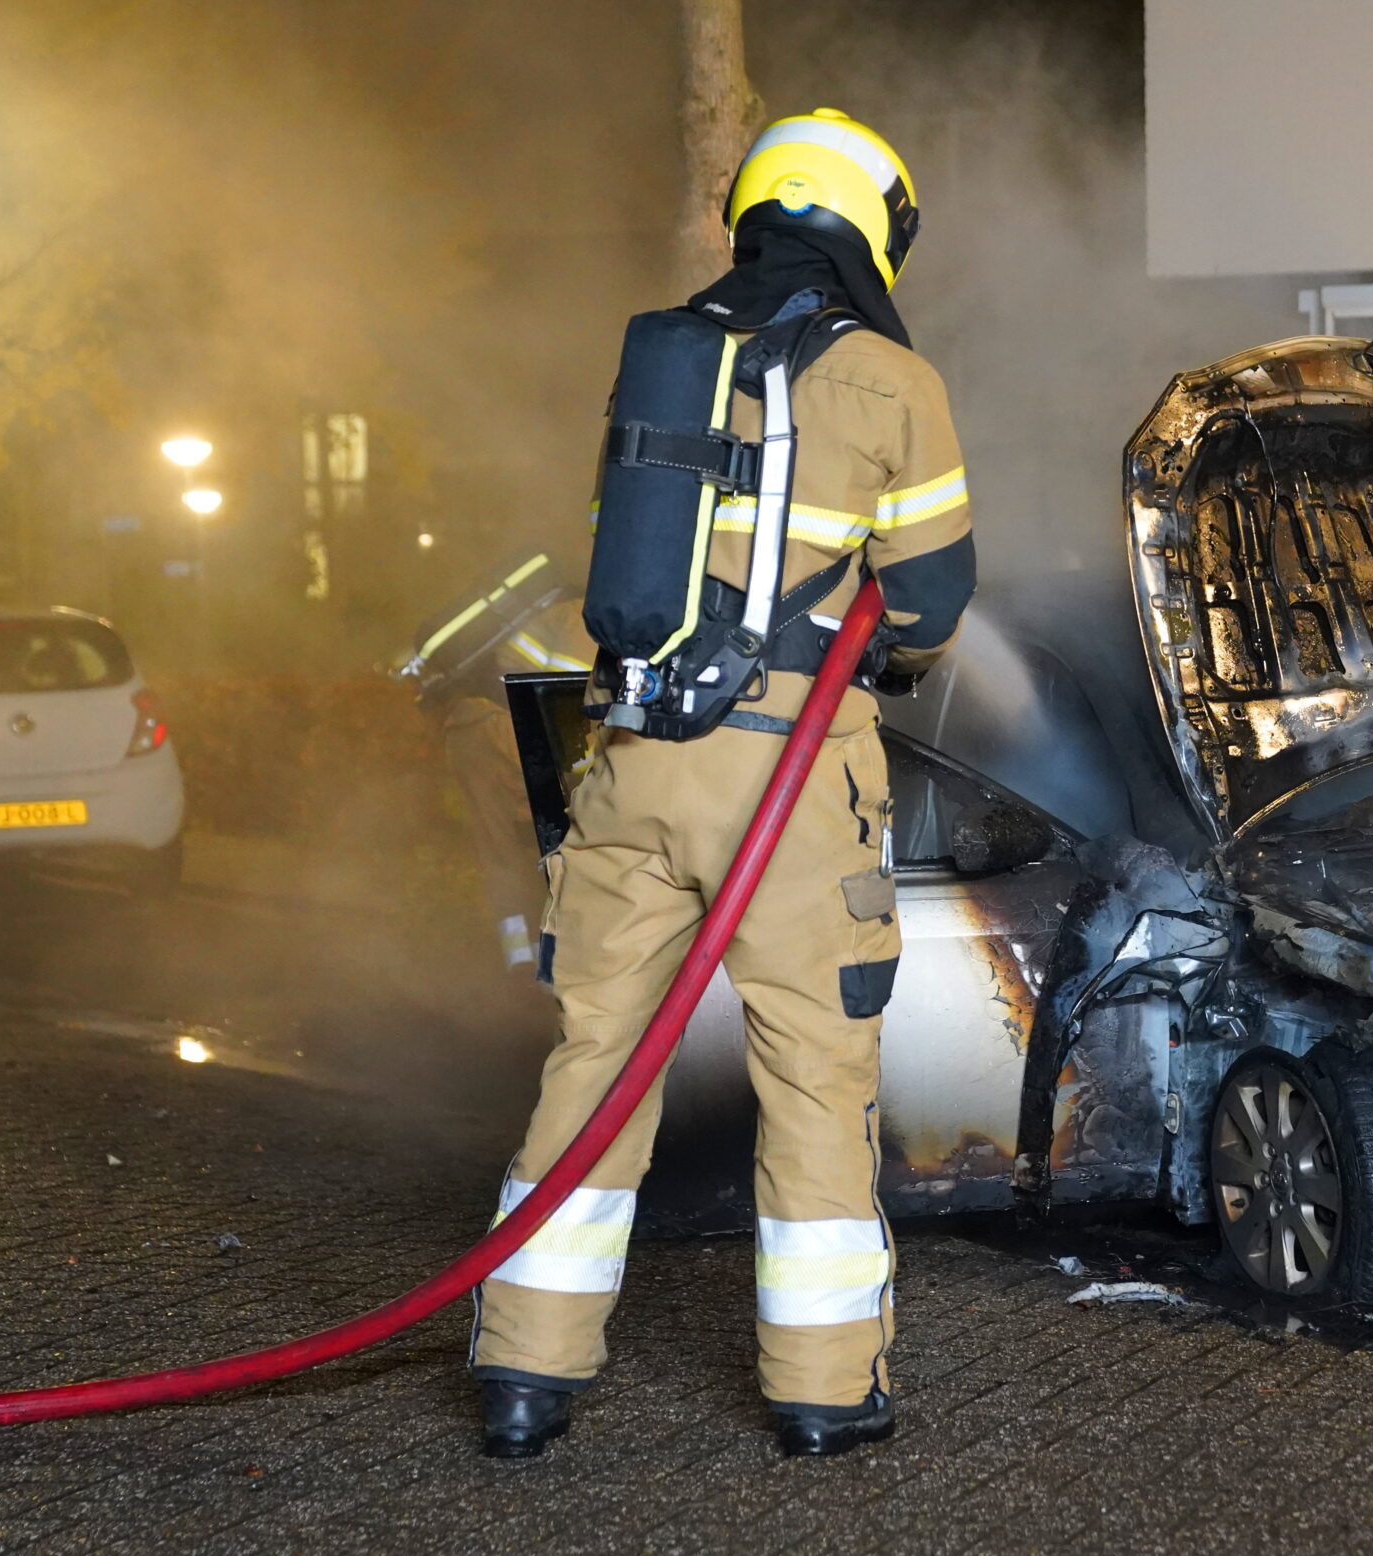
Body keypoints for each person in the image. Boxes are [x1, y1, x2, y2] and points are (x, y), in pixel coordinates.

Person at [469, 109, 974, 1462]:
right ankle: (821, 1390)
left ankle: (525, 1372)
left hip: (633, 765)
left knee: (597, 1063)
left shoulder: (665, 353)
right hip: (791, 785)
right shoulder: (891, 383)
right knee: (813, 1077)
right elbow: (928, 605)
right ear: (871, 226)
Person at [398, 555, 593, 975]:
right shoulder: (581, 619)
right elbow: (568, 715)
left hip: (478, 728)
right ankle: (551, 965)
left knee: (501, 853)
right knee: (559, 845)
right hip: (510, 733)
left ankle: (523, 962)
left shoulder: (555, 615)